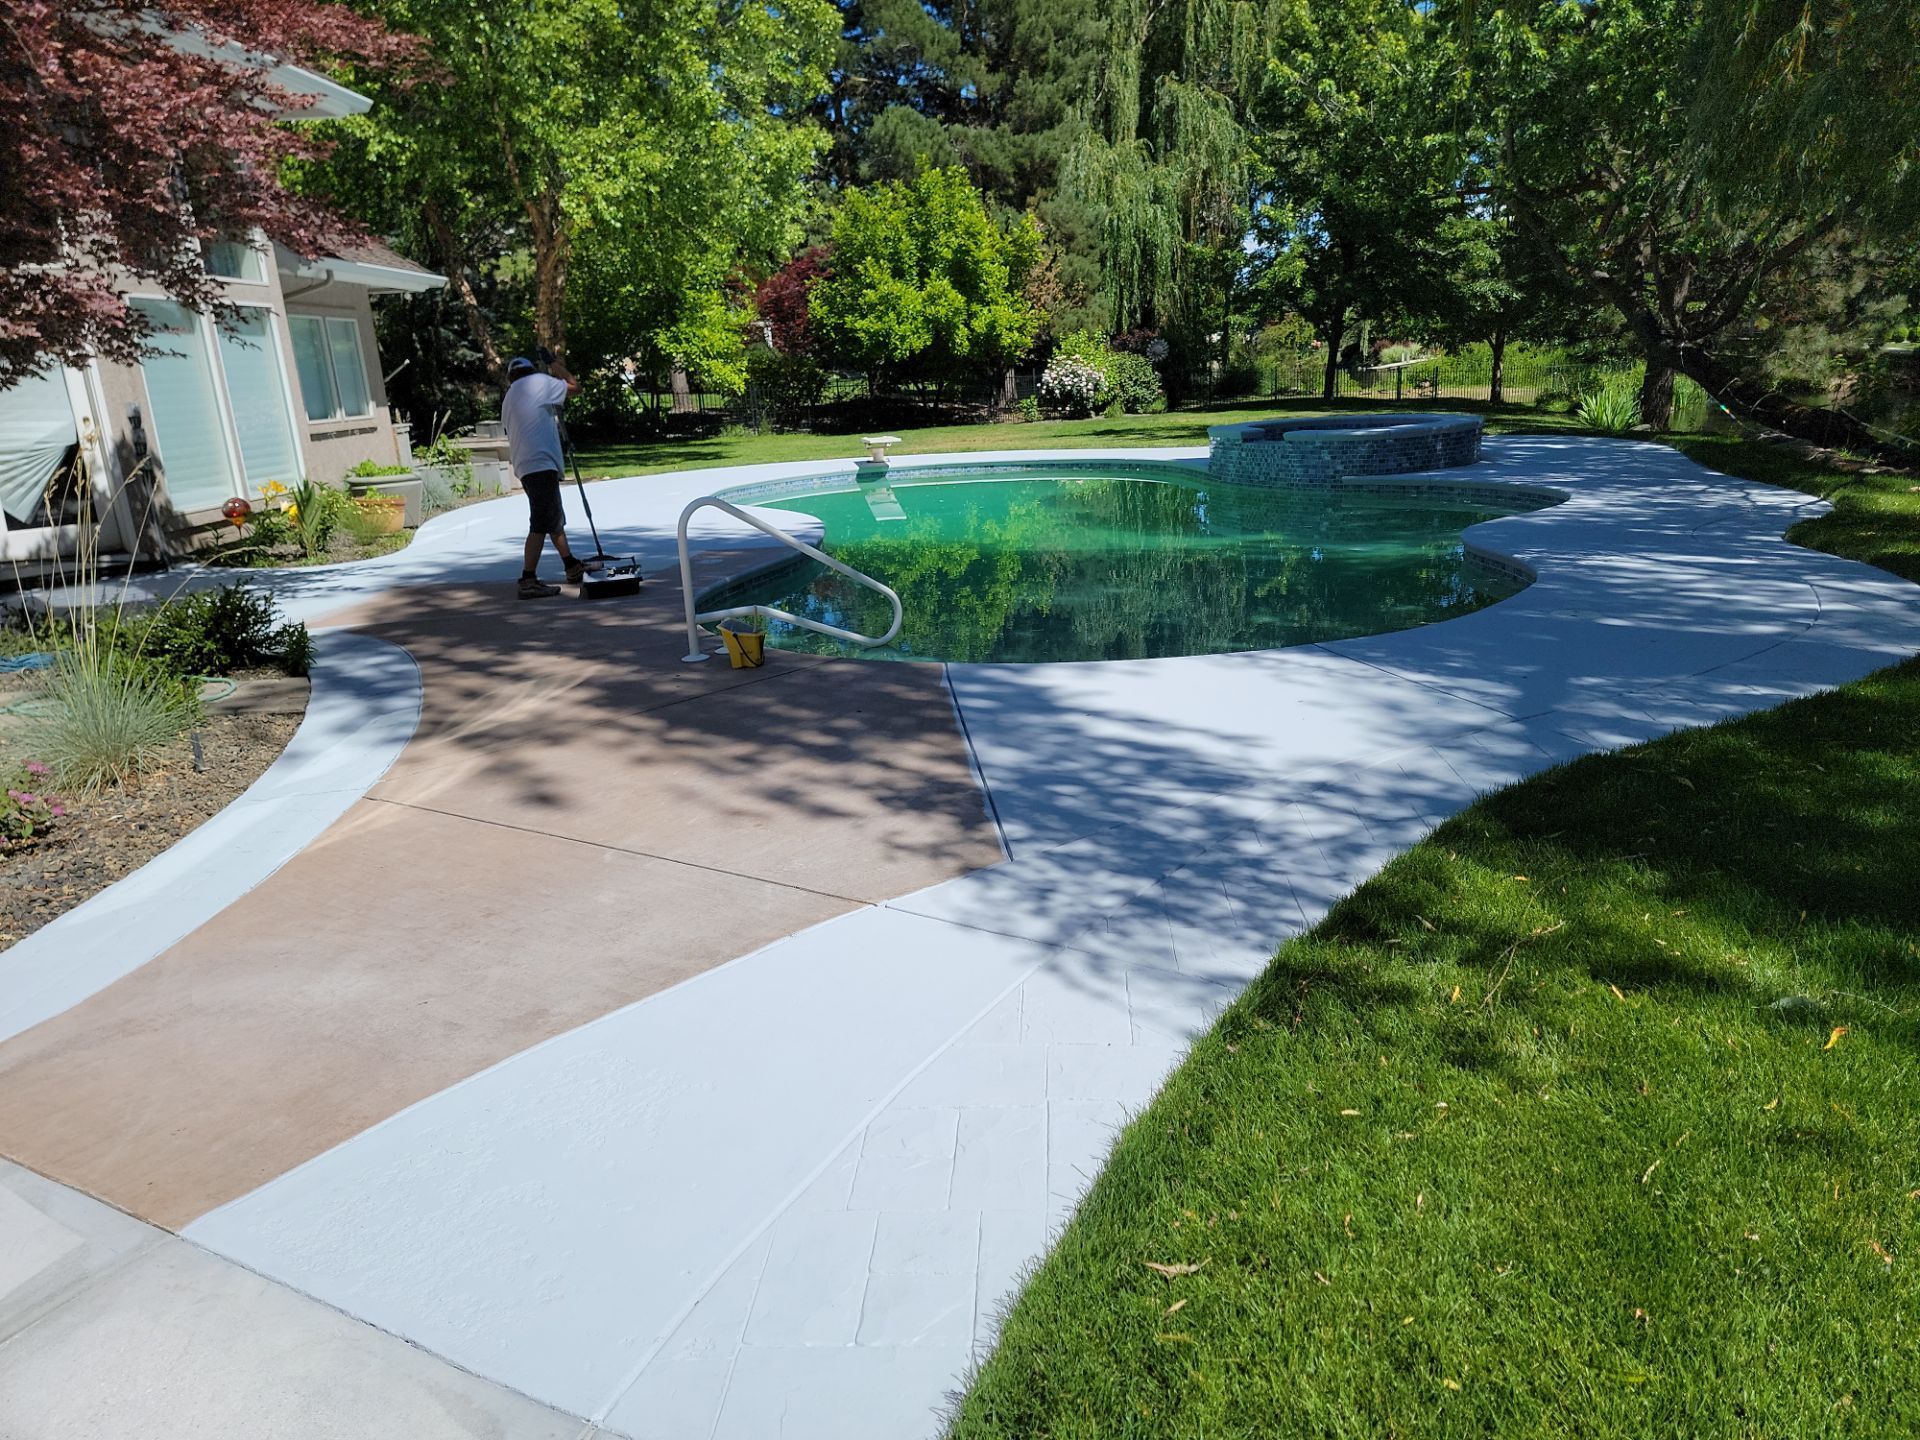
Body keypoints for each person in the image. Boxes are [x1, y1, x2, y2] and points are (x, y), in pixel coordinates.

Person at [501, 352, 596, 598]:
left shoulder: (510, 396)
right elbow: (576, 387)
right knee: (541, 522)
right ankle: (528, 579)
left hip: (526, 465)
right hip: (541, 463)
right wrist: (555, 365)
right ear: (532, 370)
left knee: (552, 517)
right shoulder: (540, 382)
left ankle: (571, 566)